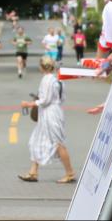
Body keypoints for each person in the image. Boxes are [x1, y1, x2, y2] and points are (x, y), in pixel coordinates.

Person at [18, 55, 75, 183]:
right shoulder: (58, 79)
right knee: (35, 140)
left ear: (42, 67)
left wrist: (28, 104)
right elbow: (62, 98)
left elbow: (45, 101)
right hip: (55, 111)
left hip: (50, 114)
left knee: (58, 143)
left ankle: (70, 173)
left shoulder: (46, 79)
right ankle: (33, 172)